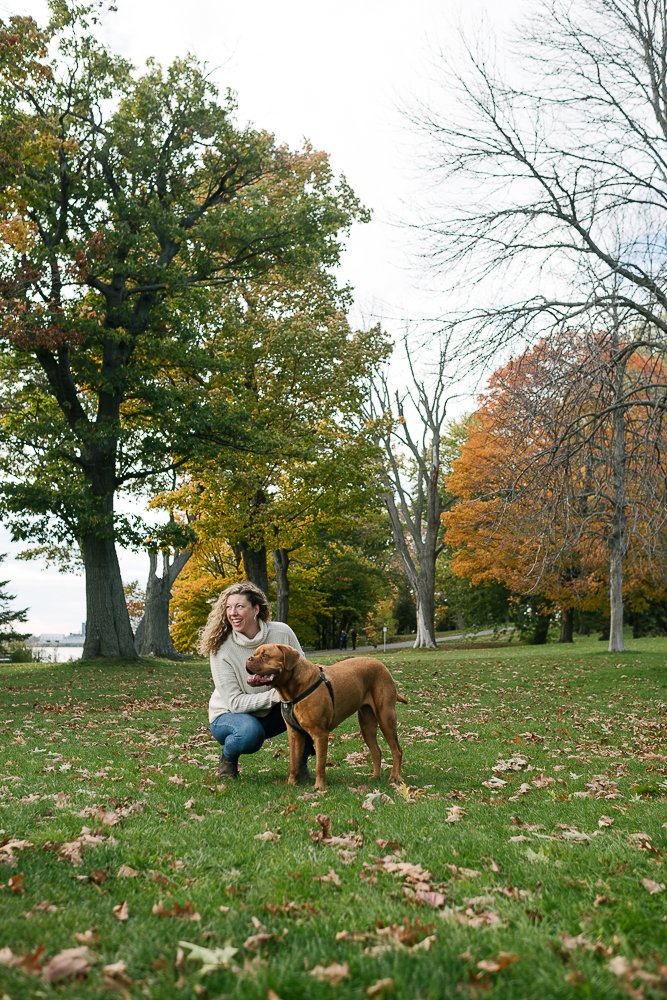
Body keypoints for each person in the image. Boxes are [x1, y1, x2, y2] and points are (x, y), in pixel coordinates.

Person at [199, 580, 313, 781]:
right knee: (249, 732)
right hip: (229, 715)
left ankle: (300, 767)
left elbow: (304, 672)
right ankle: (228, 759)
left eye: (240, 606)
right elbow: (234, 702)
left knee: (310, 707)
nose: (232, 612)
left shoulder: (282, 633)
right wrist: (277, 695)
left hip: (275, 710)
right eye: (228, 607)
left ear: (256, 609)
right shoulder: (221, 649)